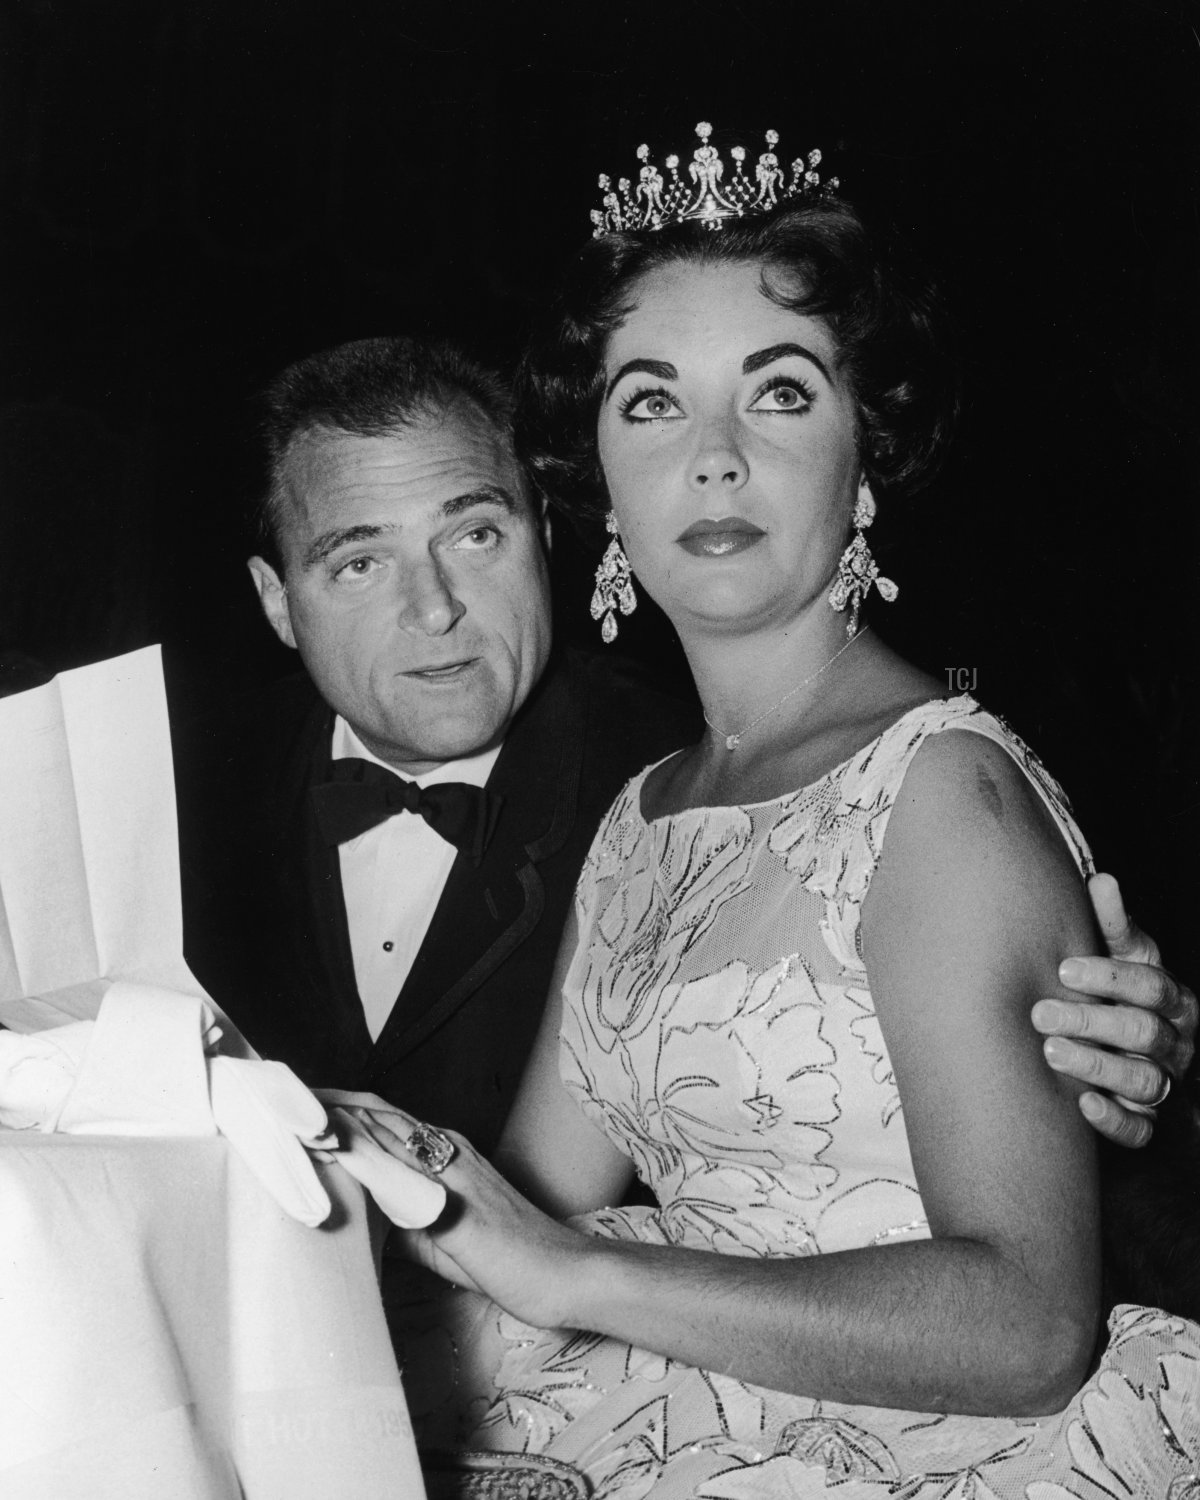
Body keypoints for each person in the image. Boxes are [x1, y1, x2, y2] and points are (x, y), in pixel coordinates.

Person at [330, 129, 1200, 1493]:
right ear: (602, 488)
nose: (716, 458)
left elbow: (1029, 1327)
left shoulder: (942, 790)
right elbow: (530, 1200)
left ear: (863, 471)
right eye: (653, 403)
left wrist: (575, 1276)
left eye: (780, 395)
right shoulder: (643, 816)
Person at [174, 335, 1193, 1166]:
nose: (433, 609)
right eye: (359, 563)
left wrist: (1125, 1039)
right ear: (277, 601)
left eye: (474, 536)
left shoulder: (697, 779)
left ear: (543, 530)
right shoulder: (167, 789)